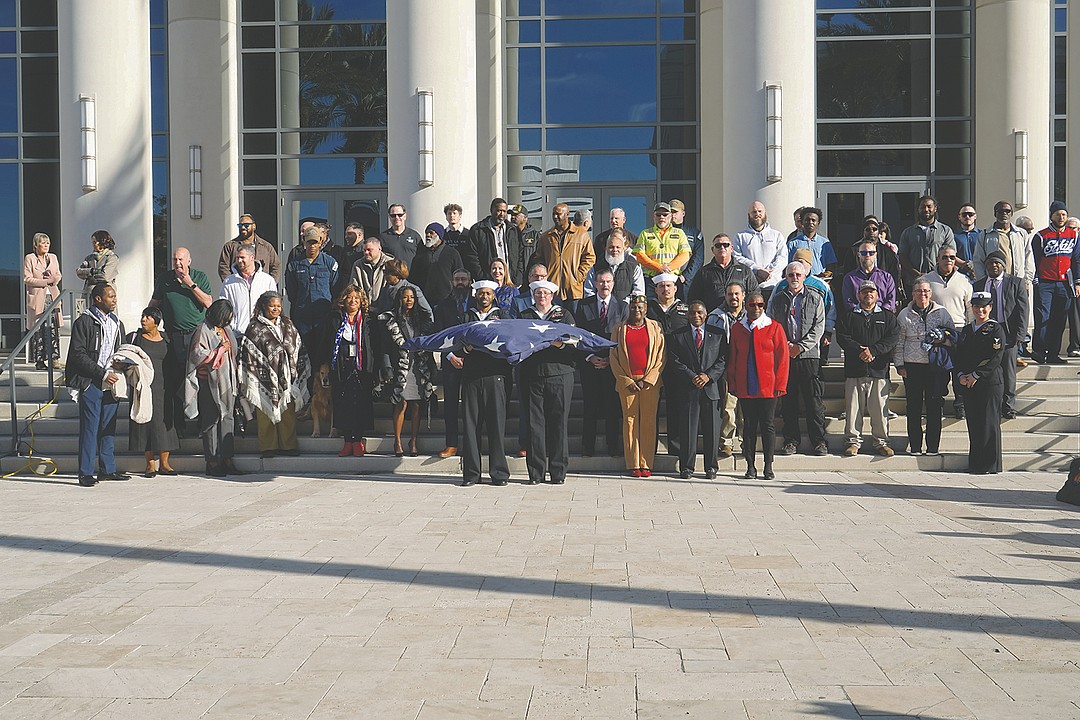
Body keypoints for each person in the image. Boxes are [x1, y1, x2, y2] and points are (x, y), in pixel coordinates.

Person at [451, 280, 512, 487]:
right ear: (475, 295)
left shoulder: (503, 317)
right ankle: (471, 474)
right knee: (470, 427)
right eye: (481, 293)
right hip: (471, 377)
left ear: (493, 296)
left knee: (496, 427)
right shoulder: (466, 317)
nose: (484, 297)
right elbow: (456, 343)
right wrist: (466, 350)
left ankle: (499, 473)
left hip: (496, 377)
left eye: (488, 293)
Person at [66, 283, 127, 487]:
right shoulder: (84, 322)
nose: (114, 299)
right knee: (90, 428)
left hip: (112, 381)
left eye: (115, 296)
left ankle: (108, 469)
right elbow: (78, 355)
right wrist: (102, 374)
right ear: (98, 299)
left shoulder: (117, 322)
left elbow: (121, 350)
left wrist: (121, 363)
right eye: (110, 296)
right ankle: (85, 472)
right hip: (91, 381)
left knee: (108, 426)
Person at [518, 279, 577, 484]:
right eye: (538, 293)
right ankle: (536, 473)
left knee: (558, 424)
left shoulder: (564, 315)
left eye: (545, 293)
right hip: (532, 376)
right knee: (534, 425)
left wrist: (559, 344)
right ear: (533, 296)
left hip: (560, 374)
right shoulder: (525, 316)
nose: (542, 296)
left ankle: (558, 472)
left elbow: (574, 342)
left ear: (552, 296)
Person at [150, 247, 214, 434]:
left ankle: (202, 424)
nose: (177, 263)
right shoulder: (165, 279)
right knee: (176, 381)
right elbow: (154, 304)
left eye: (181, 259)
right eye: (175, 260)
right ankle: (178, 426)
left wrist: (190, 283)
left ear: (189, 261)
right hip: (173, 335)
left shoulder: (199, 277)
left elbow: (208, 302)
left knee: (200, 378)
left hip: (196, 335)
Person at [239, 291, 309, 459]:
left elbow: (297, 345)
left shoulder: (287, 324)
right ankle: (268, 447)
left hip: (287, 377)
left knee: (288, 412)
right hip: (263, 377)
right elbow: (249, 353)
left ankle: (288, 446)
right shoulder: (254, 327)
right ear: (264, 306)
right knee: (265, 412)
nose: (276, 309)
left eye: (278, 306)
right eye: (272, 306)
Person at [727, 290, 788, 480]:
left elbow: (782, 357)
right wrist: (732, 382)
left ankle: (768, 466)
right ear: (746, 306)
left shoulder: (774, 327)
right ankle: (750, 466)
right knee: (749, 426)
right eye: (752, 305)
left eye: (760, 305)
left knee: (767, 425)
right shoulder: (738, 328)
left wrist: (780, 383)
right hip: (746, 385)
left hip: (768, 386)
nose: (756, 308)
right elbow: (732, 357)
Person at [768, 262, 827, 456]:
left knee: (813, 401)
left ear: (804, 277)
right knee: (789, 401)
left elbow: (819, 327)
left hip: (809, 356)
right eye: (791, 275)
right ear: (786, 277)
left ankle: (819, 441)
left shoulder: (815, 298)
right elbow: (772, 324)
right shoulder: (778, 299)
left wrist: (800, 347)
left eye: (798, 275)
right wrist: (785, 346)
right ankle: (791, 441)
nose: (794, 278)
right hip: (785, 357)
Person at [836, 281, 899, 457]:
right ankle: (853, 442)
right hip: (854, 370)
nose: (868, 294)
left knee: (879, 410)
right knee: (853, 409)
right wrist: (860, 351)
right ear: (859, 295)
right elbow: (842, 337)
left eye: (871, 291)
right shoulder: (848, 316)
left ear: (877, 295)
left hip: (879, 371)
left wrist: (874, 351)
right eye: (864, 292)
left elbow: (892, 339)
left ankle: (881, 443)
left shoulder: (887, 317)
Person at [666, 300, 727, 479]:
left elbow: (723, 359)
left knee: (712, 430)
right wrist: (692, 376)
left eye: (700, 312)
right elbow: (674, 360)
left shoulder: (718, 334)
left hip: (711, 389)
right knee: (688, 430)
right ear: (687, 315)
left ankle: (711, 467)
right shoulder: (677, 335)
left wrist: (708, 376)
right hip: (688, 389)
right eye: (692, 313)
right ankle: (686, 467)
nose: (696, 316)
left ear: (706, 314)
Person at [894, 279, 954, 456]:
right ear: (913, 294)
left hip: (935, 366)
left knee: (934, 407)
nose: (923, 294)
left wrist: (942, 339)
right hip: (912, 367)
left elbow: (953, 336)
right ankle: (915, 446)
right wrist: (899, 365)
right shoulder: (904, 314)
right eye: (919, 291)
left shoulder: (942, 313)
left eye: (926, 291)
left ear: (931, 293)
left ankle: (933, 447)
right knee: (913, 408)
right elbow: (898, 342)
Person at [609, 294, 665, 478]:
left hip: (649, 382)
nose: (637, 310)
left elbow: (661, 356)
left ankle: (646, 463)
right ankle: (633, 462)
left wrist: (648, 379)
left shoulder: (655, 327)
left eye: (640, 307)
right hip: (628, 382)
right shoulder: (619, 329)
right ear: (629, 308)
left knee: (648, 420)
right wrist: (626, 380)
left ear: (646, 308)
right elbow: (613, 357)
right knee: (630, 421)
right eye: (634, 307)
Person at [185, 299, 242, 478]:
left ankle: (227, 459)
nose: (227, 321)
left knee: (228, 418)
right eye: (226, 318)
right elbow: (196, 354)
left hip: (228, 381)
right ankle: (212, 461)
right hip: (208, 381)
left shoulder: (226, 330)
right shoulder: (202, 329)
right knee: (211, 420)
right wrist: (219, 350)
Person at [575, 268, 628, 457]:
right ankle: (587, 447)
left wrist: (609, 359)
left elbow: (623, 338)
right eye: (601, 282)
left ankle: (613, 446)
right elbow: (579, 335)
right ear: (596, 284)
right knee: (590, 406)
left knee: (612, 407)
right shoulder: (583, 305)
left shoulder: (622, 307)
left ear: (613, 284)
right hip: (590, 363)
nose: (605, 285)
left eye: (608, 281)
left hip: (612, 365)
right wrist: (590, 357)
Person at [378, 286, 436, 457]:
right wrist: (387, 368)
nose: (409, 300)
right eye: (405, 297)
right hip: (400, 366)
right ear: (400, 299)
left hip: (418, 366)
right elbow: (384, 347)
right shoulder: (391, 319)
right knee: (401, 403)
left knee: (416, 405)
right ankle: (397, 441)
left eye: (411, 297)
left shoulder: (422, 319)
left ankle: (413, 441)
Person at [319, 285, 376, 458]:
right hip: (341, 366)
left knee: (359, 403)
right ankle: (347, 441)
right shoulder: (335, 318)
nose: (353, 301)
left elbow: (375, 345)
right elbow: (325, 341)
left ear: (361, 301)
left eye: (356, 298)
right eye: (349, 297)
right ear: (343, 300)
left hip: (361, 367)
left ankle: (357, 441)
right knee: (343, 403)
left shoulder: (368, 319)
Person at [954, 292, 1006, 474]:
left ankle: (990, 464)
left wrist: (976, 375)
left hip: (988, 382)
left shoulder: (995, 329)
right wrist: (961, 375)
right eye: (976, 306)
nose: (980, 310)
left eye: (984, 307)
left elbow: (995, 357)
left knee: (989, 423)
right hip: (969, 383)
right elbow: (959, 355)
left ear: (990, 307)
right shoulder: (967, 330)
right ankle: (976, 464)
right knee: (974, 423)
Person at [972, 250, 1028, 419]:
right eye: (990, 263)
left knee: (1008, 371)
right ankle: (989, 403)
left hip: (1008, 332)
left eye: (997, 263)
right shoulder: (978, 284)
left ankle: (1008, 406)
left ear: (1003, 265)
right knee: (986, 367)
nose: (994, 265)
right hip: (986, 330)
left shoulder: (1015, 283)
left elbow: (1023, 310)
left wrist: (1020, 334)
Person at [126, 306, 179, 477]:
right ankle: (150, 463)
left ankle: (164, 463)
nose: (143, 319)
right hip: (142, 386)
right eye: (143, 316)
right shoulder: (135, 338)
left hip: (163, 386)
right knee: (144, 424)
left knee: (163, 423)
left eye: (148, 317)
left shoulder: (167, 339)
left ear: (156, 322)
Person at [921, 246, 972, 418]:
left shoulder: (964, 280)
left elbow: (970, 307)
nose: (948, 260)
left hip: (959, 330)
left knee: (959, 370)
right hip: (937, 333)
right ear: (938, 258)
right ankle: (938, 406)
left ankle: (960, 406)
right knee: (939, 373)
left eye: (952, 257)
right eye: (944, 257)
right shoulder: (927, 279)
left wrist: (970, 330)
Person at [1031, 201, 1078, 364]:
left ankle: (1053, 353)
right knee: (1042, 316)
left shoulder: (1074, 235)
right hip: (1045, 283)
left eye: (1064, 214)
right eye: (1058, 214)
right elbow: (1034, 260)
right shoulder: (1040, 236)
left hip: (1065, 284)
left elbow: (1077, 260)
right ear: (1051, 216)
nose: (1061, 217)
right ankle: (1039, 351)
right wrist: (1035, 280)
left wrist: (1078, 282)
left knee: (1059, 319)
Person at [433, 269, 472, 458]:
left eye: (464, 279)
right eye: (457, 279)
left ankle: (471, 443)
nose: (460, 282)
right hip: (451, 361)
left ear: (470, 282)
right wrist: (450, 356)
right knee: (450, 405)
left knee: (472, 405)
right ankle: (451, 444)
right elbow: (438, 334)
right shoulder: (442, 305)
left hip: (473, 361)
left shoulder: (476, 304)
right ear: (452, 282)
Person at [706, 281, 746, 458]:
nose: (733, 297)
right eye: (730, 294)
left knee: (745, 409)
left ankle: (746, 442)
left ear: (743, 295)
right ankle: (726, 442)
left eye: (737, 294)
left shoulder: (751, 315)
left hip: (747, 368)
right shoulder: (715, 316)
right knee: (728, 408)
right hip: (726, 368)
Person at [285, 225, 339, 348]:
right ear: (304, 241)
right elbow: (291, 290)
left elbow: (335, 287)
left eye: (315, 242)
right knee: (304, 351)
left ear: (320, 241)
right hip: (303, 315)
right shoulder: (294, 264)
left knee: (323, 350)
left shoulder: (330, 263)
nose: (312, 246)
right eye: (309, 242)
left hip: (324, 315)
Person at [536, 202, 595, 309]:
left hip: (573, 289)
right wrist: (545, 278)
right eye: (553, 214)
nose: (555, 217)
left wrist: (579, 276)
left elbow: (590, 257)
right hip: (552, 289)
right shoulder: (546, 237)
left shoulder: (581, 234)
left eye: (558, 214)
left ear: (567, 214)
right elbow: (539, 259)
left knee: (574, 318)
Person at [897, 195, 957, 295]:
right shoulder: (908, 232)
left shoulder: (945, 231)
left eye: (929, 206)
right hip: (914, 282)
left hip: (939, 281)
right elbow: (902, 256)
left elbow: (950, 254)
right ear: (918, 209)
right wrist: (915, 273)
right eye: (922, 207)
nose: (926, 209)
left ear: (935, 208)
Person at [732, 201, 787, 303]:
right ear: (749, 215)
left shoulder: (776, 235)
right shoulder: (740, 236)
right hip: (750, 288)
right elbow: (736, 257)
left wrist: (768, 273)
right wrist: (756, 270)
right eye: (754, 212)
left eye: (760, 211)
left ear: (765, 213)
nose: (757, 214)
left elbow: (782, 257)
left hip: (774, 287)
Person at [688, 233, 759, 312]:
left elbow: (755, 295)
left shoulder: (745, 271)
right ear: (712, 250)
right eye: (718, 245)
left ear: (731, 248)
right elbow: (694, 298)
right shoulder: (704, 272)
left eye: (726, 245)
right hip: (713, 317)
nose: (722, 248)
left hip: (740, 317)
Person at [23, 232, 62, 370]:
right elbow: (27, 278)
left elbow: (58, 275)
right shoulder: (30, 258)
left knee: (53, 328)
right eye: (43, 243)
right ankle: (39, 361)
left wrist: (53, 279)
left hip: (52, 296)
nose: (46, 245)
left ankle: (54, 359)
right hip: (37, 298)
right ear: (36, 245)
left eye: (48, 243)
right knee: (38, 329)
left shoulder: (53, 257)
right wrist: (44, 282)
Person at [219, 244, 278, 335]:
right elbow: (223, 308)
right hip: (237, 333)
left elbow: (274, 306)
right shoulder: (229, 282)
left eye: (242, 257)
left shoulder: (267, 280)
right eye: (237, 258)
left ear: (252, 258)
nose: (239, 261)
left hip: (262, 334)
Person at [972, 201, 1033, 282]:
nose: (1004, 214)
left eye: (1007, 211)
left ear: (1011, 214)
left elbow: (1028, 258)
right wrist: (984, 281)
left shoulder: (1021, 234)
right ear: (995, 214)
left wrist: (1027, 280)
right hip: (994, 281)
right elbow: (978, 260)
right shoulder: (985, 235)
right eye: (1000, 211)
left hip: (1017, 281)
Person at [634, 202, 691, 289]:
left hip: (672, 279)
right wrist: (659, 267)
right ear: (654, 216)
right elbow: (639, 255)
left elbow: (685, 255)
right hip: (651, 280)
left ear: (670, 216)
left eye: (665, 215)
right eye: (658, 215)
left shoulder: (679, 233)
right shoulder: (645, 233)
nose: (662, 217)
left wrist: (668, 268)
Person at [410, 222, 462, 308]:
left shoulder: (452, 253)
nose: (428, 235)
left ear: (439, 235)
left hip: (447, 301)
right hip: (423, 301)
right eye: (426, 233)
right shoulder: (420, 254)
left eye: (431, 233)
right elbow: (413, 278)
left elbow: (459, 275)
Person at [585, 228, 645, 301]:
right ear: (606, 248)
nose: (615, 250)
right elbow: (589, 292)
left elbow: (638, 292)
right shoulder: (595, 269)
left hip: (626, 307)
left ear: (623, 249)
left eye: (618, 247)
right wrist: (602, 303)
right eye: (611, 247)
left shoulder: (634, 269)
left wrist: (623, 304)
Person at [218, 213, 281, 282]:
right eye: (240, 225)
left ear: (254, 226)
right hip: (238, 285)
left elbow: (276, 266)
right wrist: (231, 283)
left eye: (246, 225)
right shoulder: (230, 246)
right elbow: (223, 267)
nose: (243, 228)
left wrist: (270, 283)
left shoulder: (266, 247)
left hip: (261, 286)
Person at [841, 240, 897, 313]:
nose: (868, 255)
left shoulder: (887, 278)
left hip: (882, 316)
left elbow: (890, 302)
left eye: (871, 253)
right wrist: (863, 314)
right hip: (857, 316)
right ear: (858, 254)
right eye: (864, 253)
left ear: (875, 254)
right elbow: (848, 303)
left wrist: (879, 314)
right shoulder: (849, 278)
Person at [786, 207, 836, 278]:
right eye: (807, 220)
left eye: (813, 220)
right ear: (802, 222)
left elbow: (831, 264)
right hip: (799, 280)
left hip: (819, 280)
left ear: (818, 223)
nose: (810, 222)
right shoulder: (792, 243)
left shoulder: (824, 243)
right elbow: (787, 265)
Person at [76, 230, 119, 304]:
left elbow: (105, 276)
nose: (93, 244)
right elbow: (79, 272)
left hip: (105, 295)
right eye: (92, 242)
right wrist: (91, 271)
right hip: (89, 295)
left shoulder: (112, 257)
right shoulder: (89, 258)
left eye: (95, 242)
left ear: (102, 242)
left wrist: (89, 276)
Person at [352, 237, 395, 308]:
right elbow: (353, 287)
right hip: (365, 308)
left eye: (369, 250)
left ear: (379, 249)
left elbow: (394, 287)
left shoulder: (391, 263)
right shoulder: (358, 265)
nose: (366, 253)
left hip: (386, 308)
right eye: (364, 250)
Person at [507, 204, 541, 284]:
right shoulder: (508, 234)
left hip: (528, 277)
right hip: (511, 277)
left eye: (516, 215)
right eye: (512, 215)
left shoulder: (535, 236)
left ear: (525, 218)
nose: (513, 217)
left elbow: (539, 257)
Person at [953, 203, 980, 277]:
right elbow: (951, 255)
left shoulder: (982, 235)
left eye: (970, 214)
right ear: (959, 217)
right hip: (960, 275)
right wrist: (964, 264)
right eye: (964, 215)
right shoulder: (953, 236)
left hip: (980, 274)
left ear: (975, 216)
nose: (967, 217)